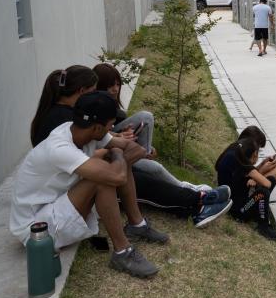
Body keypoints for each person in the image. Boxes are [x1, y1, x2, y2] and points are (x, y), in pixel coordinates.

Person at [32, 66, 232, 228]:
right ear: (82, 92)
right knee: (135, 181)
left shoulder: (70, 116)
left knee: (141, 170)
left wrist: (118, 145)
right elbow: (92, 157)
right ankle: (196, 204)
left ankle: (196, 196)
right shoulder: (61, 124)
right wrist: (115, 151)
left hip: (78, 175)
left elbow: (104, 145)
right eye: (95, 92)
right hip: (68, 188)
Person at [11, 91, 167, 278]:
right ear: (97, 128)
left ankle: (137, 224)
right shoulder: (59, 148)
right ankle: (122, 252)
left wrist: (117, 155)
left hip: (53, 207)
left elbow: (133, 149)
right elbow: (118, 171)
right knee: (106, 177)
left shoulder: (79, 130)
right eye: (110, 125)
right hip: (36, 231)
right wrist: (117, 155)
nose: (113, 130)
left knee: (116, 168)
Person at [30, 65, 98, 147]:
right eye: (93, 91)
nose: (95, 96)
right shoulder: (67, 118)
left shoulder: (54, 110)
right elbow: (82, 153)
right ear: (82, 91)